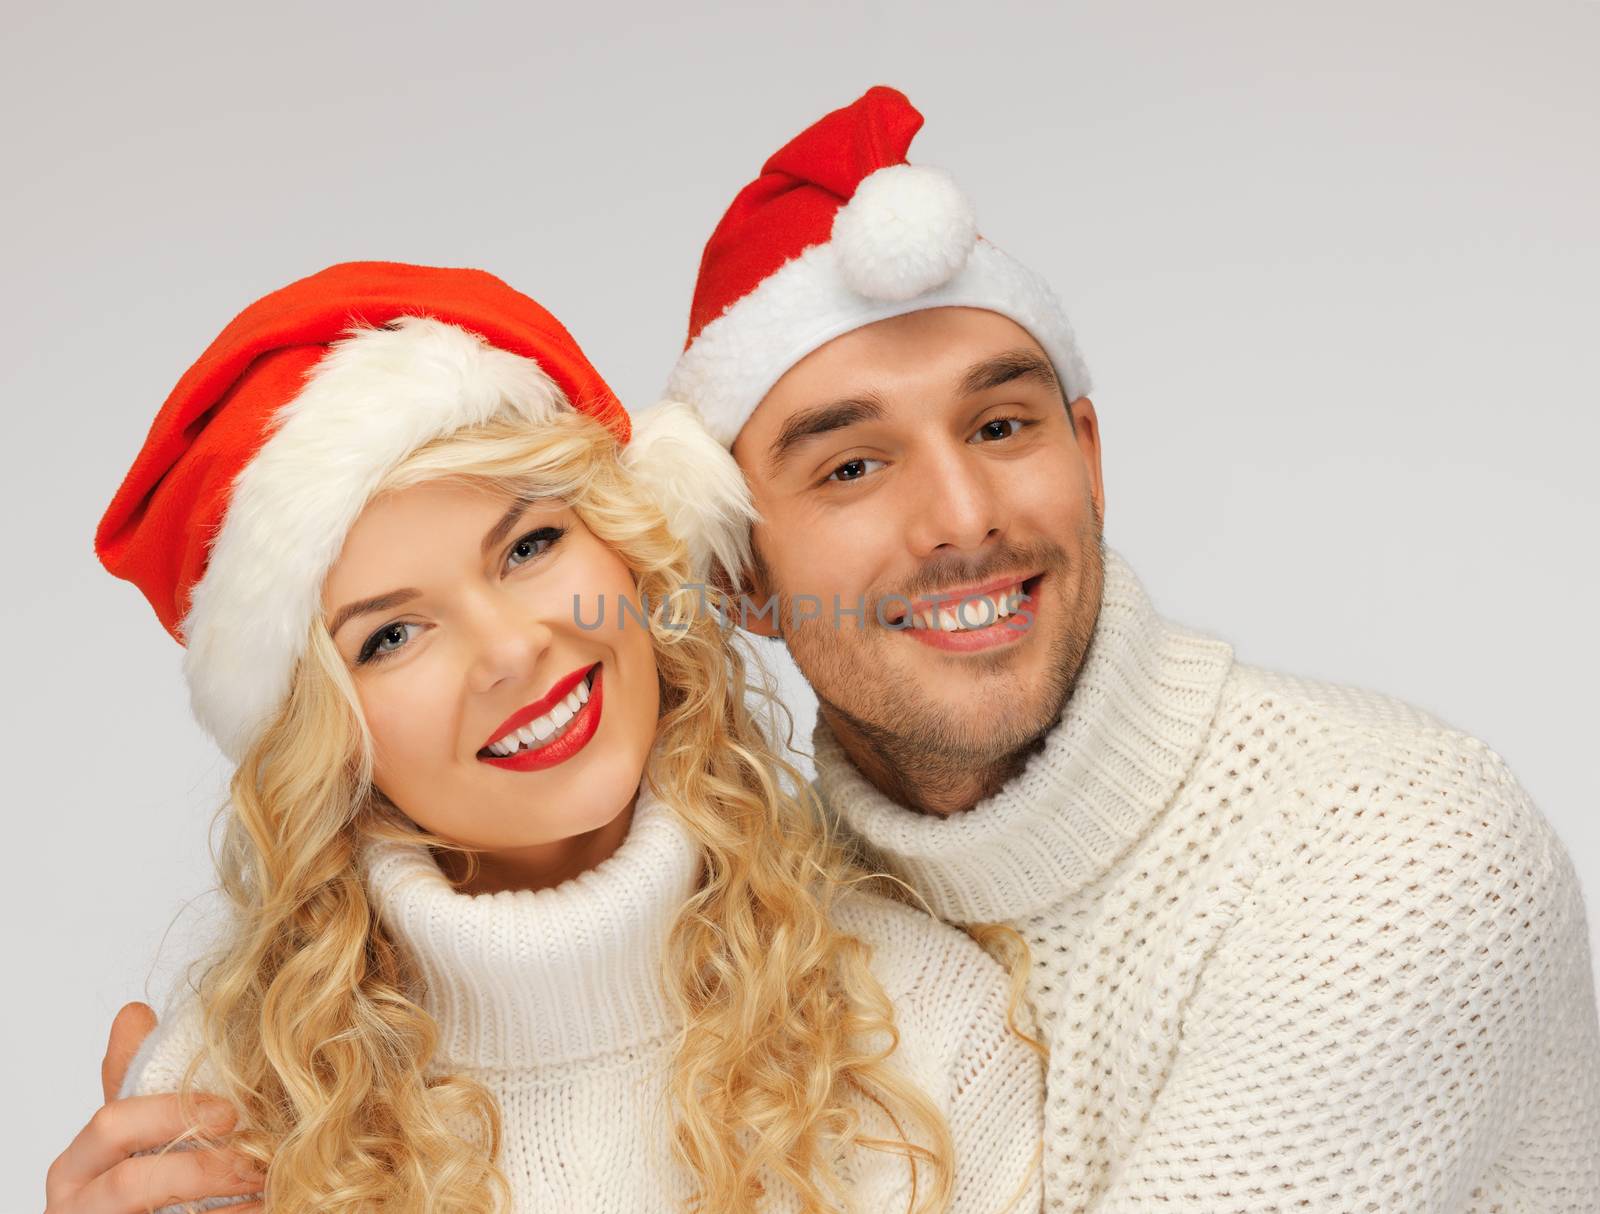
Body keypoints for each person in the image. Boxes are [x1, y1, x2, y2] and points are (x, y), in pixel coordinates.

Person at [662, 86, 1600, 1211]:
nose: (961, 517)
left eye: (1000, 426)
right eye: (852, 466)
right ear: (737, 577)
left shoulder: (1397, 845)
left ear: (1089, 456)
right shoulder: (766, 925)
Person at [43, 262, 1044, 1214]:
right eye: (391, 635)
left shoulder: (924, 1024)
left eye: (528, 545)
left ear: (632, 556)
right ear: (322, 737)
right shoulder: (222, 1111)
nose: (511, 649)